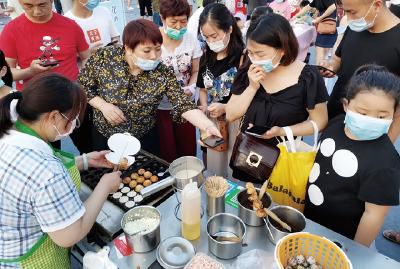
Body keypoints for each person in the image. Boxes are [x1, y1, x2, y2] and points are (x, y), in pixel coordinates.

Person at [0, 73, 122, 268]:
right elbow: (70, 234)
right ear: (54, 116)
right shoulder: (46, 171)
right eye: (72, 119)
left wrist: (84, 160)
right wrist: (105, 186)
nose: (72, 126)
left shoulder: (10, 130)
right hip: (32, 260)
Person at [79, 19, 221, 156]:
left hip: (144, 136)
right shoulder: (105, 58)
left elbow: (183, 104)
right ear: (128, 48)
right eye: (147, 51)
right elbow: (83, 85)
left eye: (158, 49)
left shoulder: (162, 72)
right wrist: (103, 106)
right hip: (105, 135)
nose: (154, 56)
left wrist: (207, 126)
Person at [304, 65, 400, 247]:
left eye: (381, 116)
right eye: (363, 113)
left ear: (393, 114)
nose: (370, 119)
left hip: (342, 239)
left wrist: (355, 250)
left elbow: (374, 215)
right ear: (346, 105)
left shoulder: (385, 162)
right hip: (309, 220)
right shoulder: (336, 125)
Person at [226, 13, 329, 182]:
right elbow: (231, 114)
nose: (255, 60)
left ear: (282, 50)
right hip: (248, 156)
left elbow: (319, 122)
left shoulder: (308, 77)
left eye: (261, 54)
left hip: (286, 160)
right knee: (248, 200)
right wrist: (252, 87)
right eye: (251, 53)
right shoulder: (248, 71)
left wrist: (283, 131)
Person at [320, 0, 400, 141]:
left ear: (376, 5)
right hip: (335, 117)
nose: (348, 19)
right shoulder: (356, 27)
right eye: (346, 12)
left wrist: (387, 144)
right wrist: (331, 65)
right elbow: (338, 59)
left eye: (352, 12)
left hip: (370, 130)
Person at [197, 3, 245, 177]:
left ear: (229, 29)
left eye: (214, 36)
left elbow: (247, 95)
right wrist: (204, 107)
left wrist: (225, 107)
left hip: (234, 122)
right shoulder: (206, 57)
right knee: (214, 165)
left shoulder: (242, 57)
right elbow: (202, 89)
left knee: (233, 164)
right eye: (206, 37)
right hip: (212, 121)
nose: (211, 42)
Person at [0, 0, 90, 91]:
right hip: (33, 97)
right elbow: (5, 72)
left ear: (52, 1)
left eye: (42, 4)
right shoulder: (11, 30)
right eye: (29, 6)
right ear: (20, 3)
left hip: (71, 93)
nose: (37, 12)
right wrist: (30, 71)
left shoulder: (71, 26)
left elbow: (86, 58)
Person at [156, 0, 203, 162]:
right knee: (166, 149)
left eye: (183, 22)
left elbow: (196, 70)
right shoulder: (153, 39)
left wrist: (191, 86)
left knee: (187, 147)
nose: (178, 27)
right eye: (173, 22)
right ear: (162, 18)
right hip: (161, 105)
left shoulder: (191, 39)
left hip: (185, 103)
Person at [295, 0, 338, 64]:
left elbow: (333, 7)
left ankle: (319, 72)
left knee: (320, 57)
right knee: (322, 57)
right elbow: (307, 8)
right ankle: (320, 71)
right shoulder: (316, 1)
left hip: (326, 28)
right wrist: (295, 16)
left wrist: (320, 18)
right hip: (323, 29)